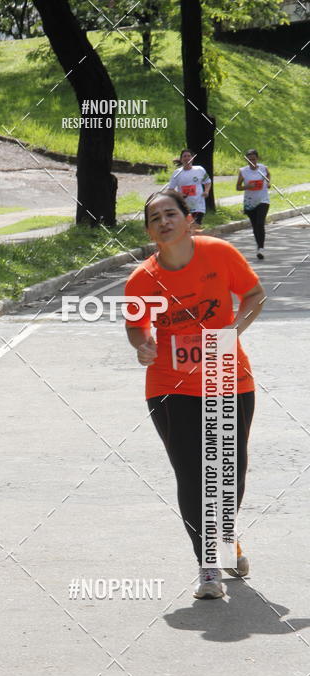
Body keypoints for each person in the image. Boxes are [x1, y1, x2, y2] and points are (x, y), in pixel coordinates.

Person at [124, 190, 265, 599]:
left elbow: (255, 296)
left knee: (228, 472)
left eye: (171, 214)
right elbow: (136, 325)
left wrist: (232, 331)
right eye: (155, 218)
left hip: (227, 377)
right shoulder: (142, 279)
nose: (164, 221)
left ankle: (225, 537)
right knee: (192, 475)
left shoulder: (219, 255)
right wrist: (142, 343)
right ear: (151, 232)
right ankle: (208, 565)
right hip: (171, 386)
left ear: (189, 220)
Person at [236, 149, 270, 260]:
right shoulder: (243, 171)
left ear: (257, 159)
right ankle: (259, 246)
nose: (251, 161)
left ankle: (261, 248)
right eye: (249, 160)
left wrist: (268, 182)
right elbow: (238, 187)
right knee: (255, 226)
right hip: (250, 202)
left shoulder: (263, 168)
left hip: (263, 200)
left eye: (253, 159)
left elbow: (268, 175)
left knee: (260, 223)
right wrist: (247, 187)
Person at [168, 149, 212, 226]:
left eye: (189, 156)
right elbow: (170, 190)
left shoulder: (199, 170)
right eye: (184, 156)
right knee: (186, 228)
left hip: (198, 205)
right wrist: (179, 194)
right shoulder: (177, 173)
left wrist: (206, 191)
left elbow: (207, 182)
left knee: (195, 226)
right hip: (184, 206)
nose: (187, 158)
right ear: (181, 159)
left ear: (192, 158)